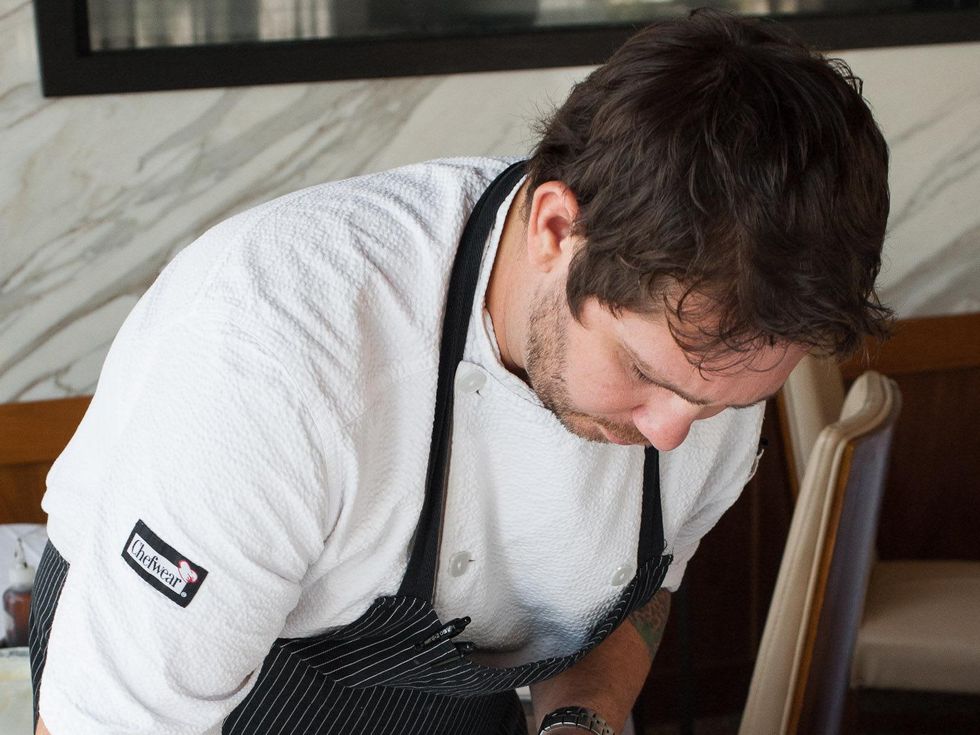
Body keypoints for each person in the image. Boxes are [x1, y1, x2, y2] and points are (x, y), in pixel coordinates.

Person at [28, 9, 891, 735]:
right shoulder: (274, 355)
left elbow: (635, 594)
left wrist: (578, 720)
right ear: (557, 229)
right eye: (643, 372)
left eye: (719, 404)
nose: (671, 431)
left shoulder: (711, 365)